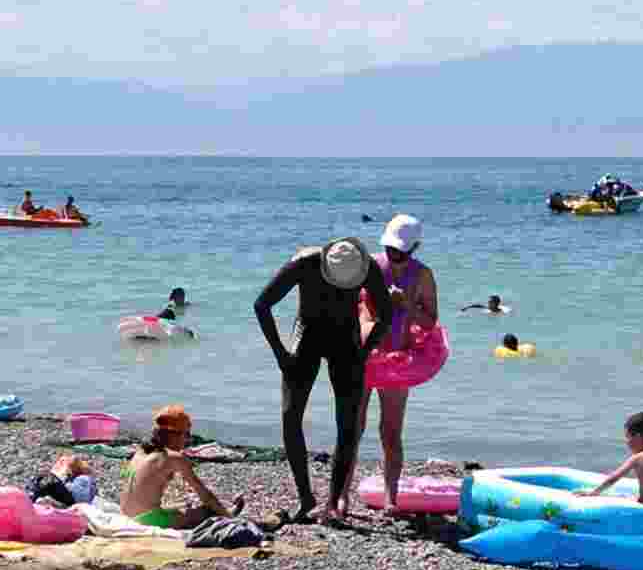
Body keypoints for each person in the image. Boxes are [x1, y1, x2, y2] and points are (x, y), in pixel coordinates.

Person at [254, 237, 392, 523]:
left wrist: (365, 352)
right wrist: (281, 354)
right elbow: (262, 305)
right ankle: (305, 497)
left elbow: (386, 316)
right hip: (307, 336)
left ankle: (332, 502)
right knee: (291, 416)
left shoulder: (366, 268)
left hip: (347, 341)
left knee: (349, 425)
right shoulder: (304, 263)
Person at [355, 214, 439, 515]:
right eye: (391, 250)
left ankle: (392, 499)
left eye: (401, 252)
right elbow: (358, 310)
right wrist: (374, 311)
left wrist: (408, 307)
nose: (395, 256)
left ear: (414, 248)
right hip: (364, 355)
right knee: (353, 427)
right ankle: (339, 498)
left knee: (390, 432)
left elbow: (430, 322)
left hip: (398, 360)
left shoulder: (422, 275)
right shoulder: (371, 267)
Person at [120, 405, 243, 529]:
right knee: (206, 511)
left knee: (185, 505)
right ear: (174, 434)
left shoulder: (140, 451)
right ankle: (229, 516)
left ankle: (222, 512)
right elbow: (205, 495)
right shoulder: (173, 457)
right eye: (186, 434)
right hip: (147, 520)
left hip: (126, 514)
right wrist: (229, 518)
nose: (187, 439)